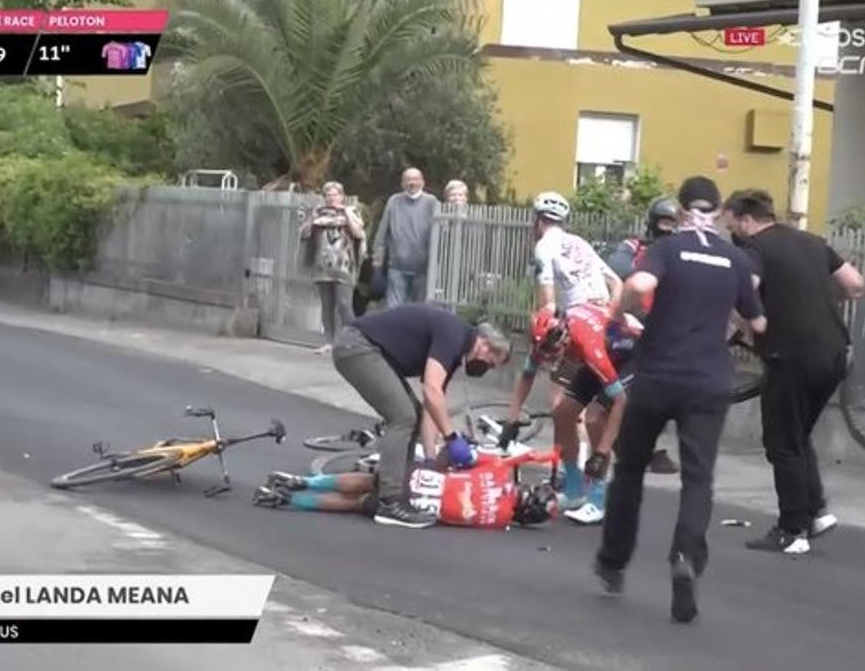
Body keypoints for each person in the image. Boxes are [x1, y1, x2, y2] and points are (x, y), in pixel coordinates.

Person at [593, 176, 767, 625]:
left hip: (656, 377)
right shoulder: (734, 257)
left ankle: (613, 562)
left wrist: (624, 306)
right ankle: (686, 557)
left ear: (684, 208)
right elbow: (759, 324)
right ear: (717, 209)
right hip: (707, 382)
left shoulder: (668, 248)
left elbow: (641, 281)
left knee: (630, 468)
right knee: (697, 478)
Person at [722, 189, 865, 555]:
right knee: (798, 434)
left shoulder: (753, 249)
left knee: (782, 443)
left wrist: (743, 320)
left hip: (791, 356)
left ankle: (791, 530)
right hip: (834, 353)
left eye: (732, 226)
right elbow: (855, 284)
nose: (732, 234)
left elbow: (744, 289)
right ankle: (815, 512)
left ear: (746, 219)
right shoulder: (813, 242)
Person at [499, 192, 628, 526]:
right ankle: (573, 487)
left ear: (538, 221)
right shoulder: (579, 242)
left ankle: (598, 496)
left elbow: (546, 303)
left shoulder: (543, 247)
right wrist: (511, 419)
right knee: (564, 412)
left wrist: (600, 455)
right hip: (589, 320)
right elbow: (617, 282)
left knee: (599, 415)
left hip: (618, 347)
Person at [332, 303, 512, 528]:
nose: (487, 369)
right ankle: (390, 502)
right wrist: (452, 438)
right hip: (357, 347)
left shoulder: (456, 347)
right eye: (490, 364)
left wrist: (430, 459)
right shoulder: (453, 335)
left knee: (413, 416)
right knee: (402, 416)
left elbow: (431, 405)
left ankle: (395, 493)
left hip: (365, 349)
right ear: (483, 346)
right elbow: (432, 391)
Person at [252, 450, 562, 529]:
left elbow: (462, 456)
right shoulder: (497, 523)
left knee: (370, 480)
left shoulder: (500, 472)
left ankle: (304, 480)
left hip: (424, 480)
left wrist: (540, 455)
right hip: (421, 507)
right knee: (357, 504)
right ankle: (291, 498)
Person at [604, 195, 683, 475]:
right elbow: (616, 266)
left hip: (658, 331)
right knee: (612, 393)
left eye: (670, 225)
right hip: (627, 326)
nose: (666, 230)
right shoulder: (633, 246)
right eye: (662, 223)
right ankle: (619, 447)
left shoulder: (679, 251)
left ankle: (641, 447)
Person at [300, 181, 367, 354]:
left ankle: (351, 340)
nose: (332, 198)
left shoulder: (351, 212)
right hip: (323, 265)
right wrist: (313, 221)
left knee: (344, 304)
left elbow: (359, 233)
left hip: (344, 265)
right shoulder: (317, 213)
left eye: (335, 194)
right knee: (327, 304)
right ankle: (329, 341)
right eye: (328, 195)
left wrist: (346, 215)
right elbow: (304, 233)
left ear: (342, 196)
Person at [371, 168, 440, 308]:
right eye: (408, 179)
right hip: (397, 266)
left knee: (419, 309)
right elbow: (383, 230)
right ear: (402, 183)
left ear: (422, 182)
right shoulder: (394, 201)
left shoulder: (432, 202)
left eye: (415, 179)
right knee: (393, 309)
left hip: (423, 267)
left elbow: (440, 233)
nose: (412, 183)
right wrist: (377, 257)